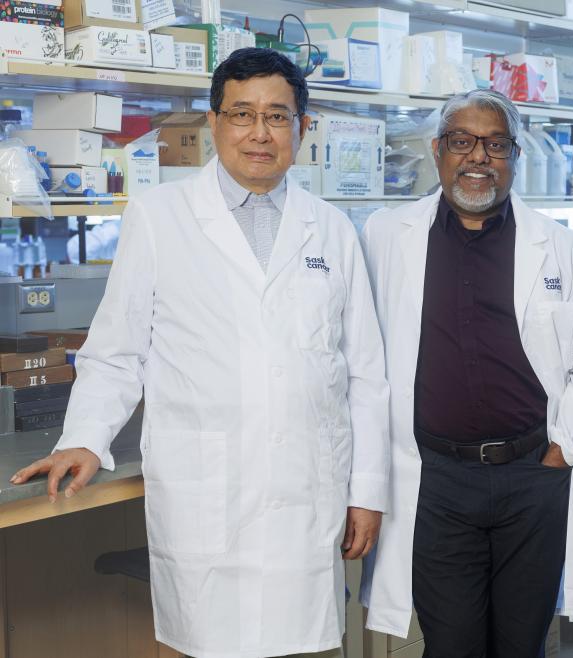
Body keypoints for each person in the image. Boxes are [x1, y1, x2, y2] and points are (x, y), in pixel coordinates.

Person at [10, 48, 391, 658]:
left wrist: (367, 491)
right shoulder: (161, 218)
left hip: (306, 494)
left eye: (277, 116)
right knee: (210, 645)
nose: (259, 133)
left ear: (303, 126)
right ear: (213, 124)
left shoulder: (333, 230)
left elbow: (366, 377)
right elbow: (116, 352)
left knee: (303, 648)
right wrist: (84, 437)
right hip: (207, 492)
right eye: (241, 114)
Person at [357, 89, 573, 657]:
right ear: (437, 151)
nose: (478, 157)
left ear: (514, 156)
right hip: (437, 479)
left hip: (533, 474)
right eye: (462, 141)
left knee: (522, 644)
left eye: (495, 144)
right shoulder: (386, 236)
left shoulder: (562, 248)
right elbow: (359, 352)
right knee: (452, 645)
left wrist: (560, 447)